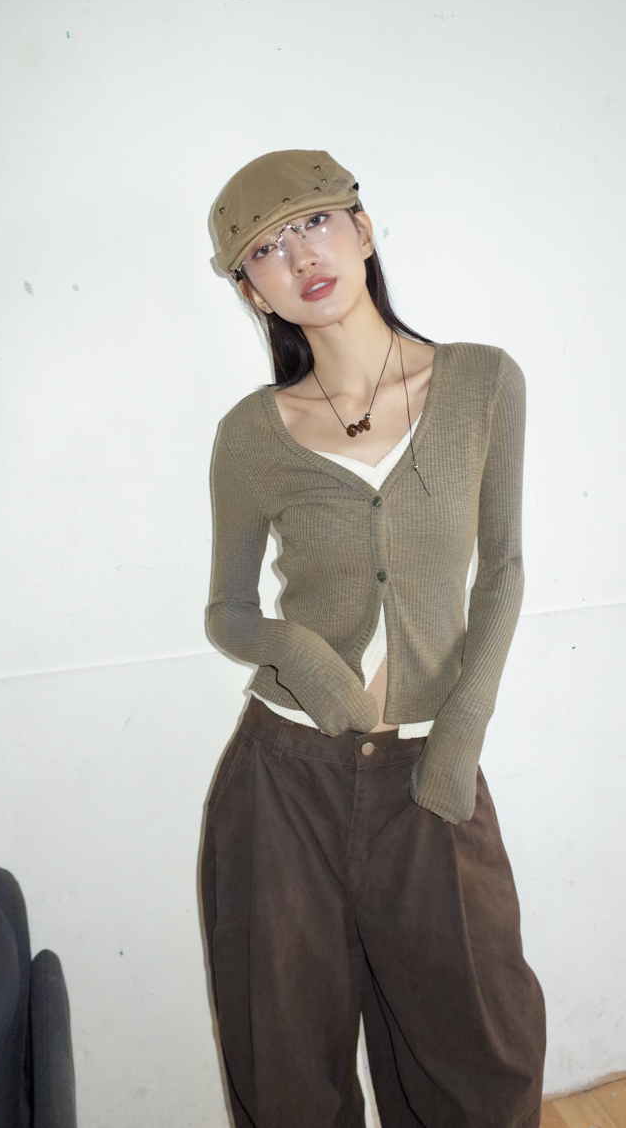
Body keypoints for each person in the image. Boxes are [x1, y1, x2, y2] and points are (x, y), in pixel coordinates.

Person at [201, 149, 546, 1128]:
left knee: (478, 1060)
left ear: (360, 228)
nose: (299, 256)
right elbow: (227, 610)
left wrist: (461, 734)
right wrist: (303, 656)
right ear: (253, 291)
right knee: (287, 1069)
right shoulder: (250, 433)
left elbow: (504, 567)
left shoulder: (481, 382)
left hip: (430, 772)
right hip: (283, 783)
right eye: (266, 250)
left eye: (314, 222)